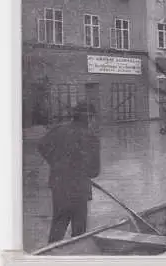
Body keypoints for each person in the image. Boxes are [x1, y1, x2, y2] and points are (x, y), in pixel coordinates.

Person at [37, 102, 101, 243]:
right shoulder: (92, 137)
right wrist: (82, 170)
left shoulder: (58, 129)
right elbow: (95, 171)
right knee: (79, 233)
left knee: (58, 226)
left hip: (59, 186)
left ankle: (49, 258)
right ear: (90, 118)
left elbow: (41, 145)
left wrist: (55, 163)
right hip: (79, 190)